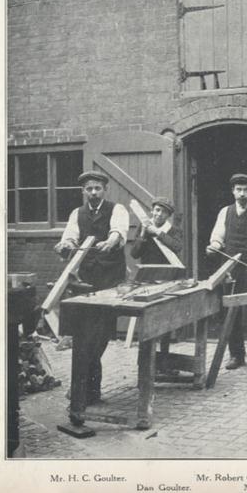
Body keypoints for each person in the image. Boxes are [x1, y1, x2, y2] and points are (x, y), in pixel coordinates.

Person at [53, 170, 129, 416]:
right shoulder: (78, 213)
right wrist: (66, 244)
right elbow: (70, 237)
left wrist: (111, 241)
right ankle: (89, 390)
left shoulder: (117, 209)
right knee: (85, 333)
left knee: (102, 333)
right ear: (83, 191)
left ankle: (84, 385)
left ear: (104, 190)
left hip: (109, 280)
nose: (93, 192)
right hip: (85, 281)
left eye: (97, 188)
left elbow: (119, 232)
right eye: (89, 189)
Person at [206, 174, 247, 374]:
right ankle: (236, 355)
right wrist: (213, 247)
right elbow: (218, 237)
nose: (242, 193)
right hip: (230, 267)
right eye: (238, 189)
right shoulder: (225, 212)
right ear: (233, 191)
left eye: (246, 190)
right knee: (229, 311)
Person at [130, 196, 183, 264]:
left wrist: (157, 231)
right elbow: (134, 254)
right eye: (157, 210)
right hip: (148, 270)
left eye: (164, 212)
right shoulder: (143, 227)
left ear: (169, 215)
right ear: (152, 210)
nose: (160, 214)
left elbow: (177, 247)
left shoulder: (174, 230)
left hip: (168, 270)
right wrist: (142, 234)